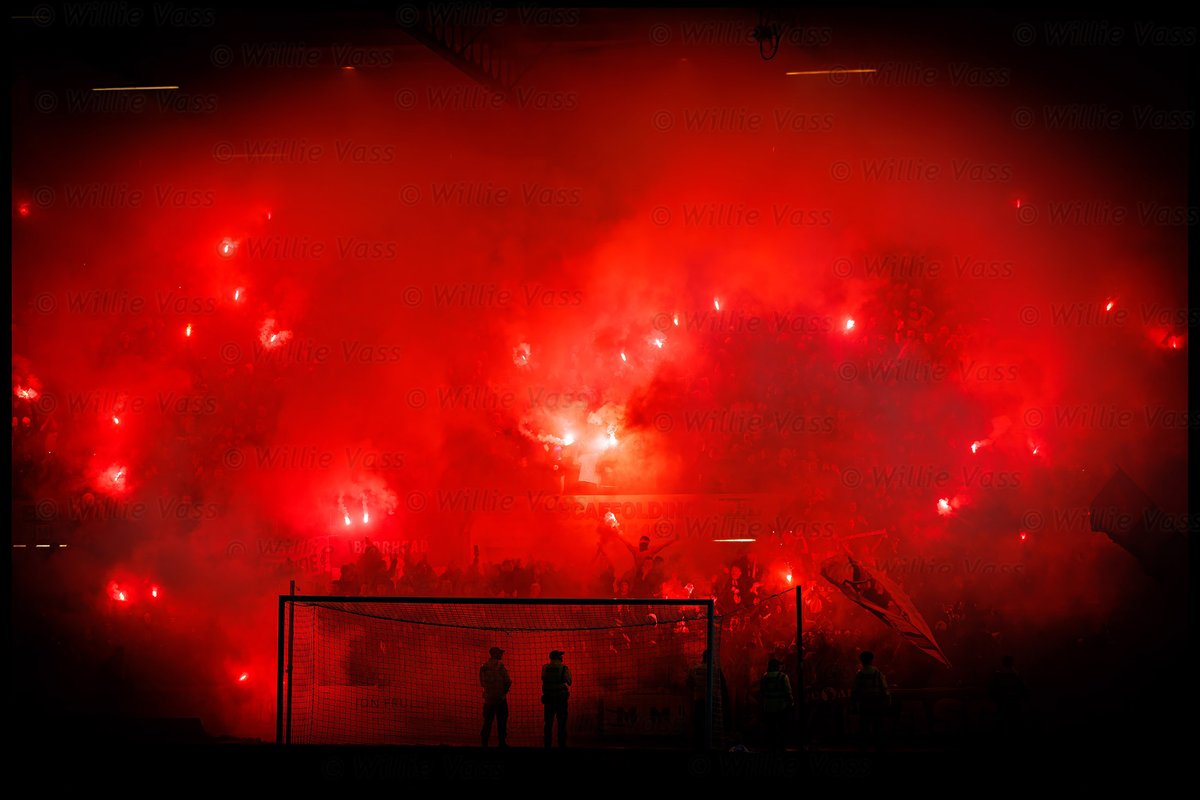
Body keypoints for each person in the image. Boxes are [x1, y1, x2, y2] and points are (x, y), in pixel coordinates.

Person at [851, 650, 889, 750]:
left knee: (864, 725)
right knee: (878, 725)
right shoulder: (878, 673)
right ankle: (879, 746)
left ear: (861, 661)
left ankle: (863, 747)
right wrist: (887, 701)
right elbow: (884, 689)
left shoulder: (859, 674)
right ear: (872, 660)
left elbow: (855, 690)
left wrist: (854, 703)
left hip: (864, 703)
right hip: (876, 702)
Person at [479, 646, 512, 747]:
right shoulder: (500, 666)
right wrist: (503, 692)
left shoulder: (483, 667)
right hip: (500, 699)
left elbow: (482, 683)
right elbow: (508, 681)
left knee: (487, 721)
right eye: (500, 653)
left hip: (488, 699)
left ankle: (484, 742)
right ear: (495, 654)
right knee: (502, 720)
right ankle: (502, 742)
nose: (501, 655)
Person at [989, 655, 1028, 737]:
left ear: (1003, 663)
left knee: (1002, 728)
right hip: (1014, 707)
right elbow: (1024, 692)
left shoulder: (998, 676)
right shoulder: (1017, 676)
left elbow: (992, 692)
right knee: (1013, 729)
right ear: (1012, 663)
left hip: (1002, 707)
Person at [759, 658, 793, 750]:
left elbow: (762, 692)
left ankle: (771, 746)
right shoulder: (783, 677)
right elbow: (788, 691)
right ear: (777, 666)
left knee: (771, 728)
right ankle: (781, 747)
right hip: (781, 706)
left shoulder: (764, 676)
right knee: (782, 727)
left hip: (768, 707)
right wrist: (791, 702)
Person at [541, 649, 572, 747]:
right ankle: (561, 744)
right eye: (560, 656)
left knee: (548, 722)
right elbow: (569, 682)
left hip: (549, 698)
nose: (562, 657)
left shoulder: (545, 667)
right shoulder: (564, 668)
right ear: (558, 657)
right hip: (560, 698)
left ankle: (547, 744)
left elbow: (543, 678)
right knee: (561, 722)